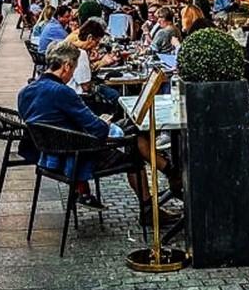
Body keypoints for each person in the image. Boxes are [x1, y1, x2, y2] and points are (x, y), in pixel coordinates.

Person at [17, 39, 179, 222]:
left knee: (131, 129)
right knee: (134, 149)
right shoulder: (62, 92)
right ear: (67, 66)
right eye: (74, 69)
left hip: (49, 154)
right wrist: (103, 122)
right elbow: (98, 130)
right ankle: (154, 200)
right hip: (76, 155)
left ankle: (170, 173)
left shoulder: (25, 92)